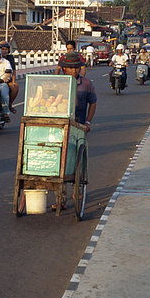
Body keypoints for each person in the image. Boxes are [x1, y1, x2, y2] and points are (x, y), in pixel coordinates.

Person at [52, 51, 97, 211]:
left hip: (78, 126)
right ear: (65, 69)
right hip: (60, 125)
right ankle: (61, 198)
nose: (74, 71)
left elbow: (92, 103)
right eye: (70, 68)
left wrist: (88, 122)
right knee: (60, 162)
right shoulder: (57, 84)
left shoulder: (87, 84)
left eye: (76, 68)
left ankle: (78, 190)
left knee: (77, 159)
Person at [0, 41, 19, 114]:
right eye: (2, 49)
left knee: (15, 87)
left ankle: (9, 105)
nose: (4, 51)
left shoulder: (10, 58)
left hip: (7, 80)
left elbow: (13, 70)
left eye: (6, 49)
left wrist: (13, 81)